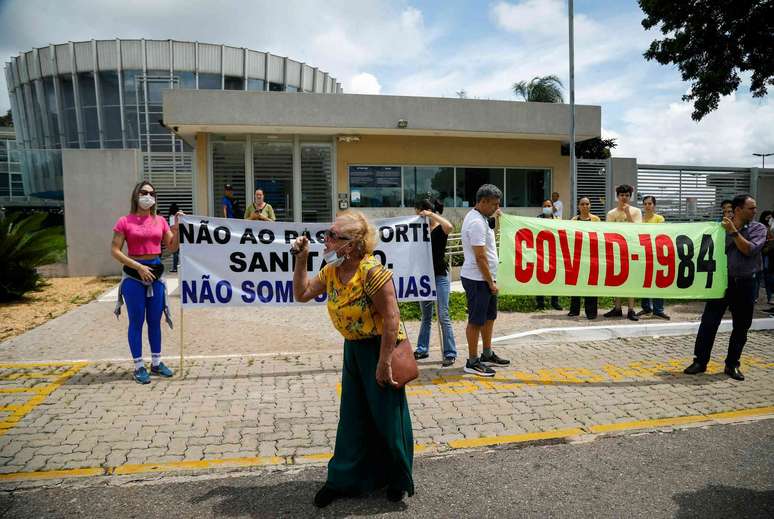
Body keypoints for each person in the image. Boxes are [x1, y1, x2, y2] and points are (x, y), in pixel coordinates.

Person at [292, 210, 414, 507]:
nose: (327, 240)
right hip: (354, 350)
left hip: (380, 348)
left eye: (334, 236)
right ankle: (343, 480)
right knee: (352, 416)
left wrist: (384, 362)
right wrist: (301, 259)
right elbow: (302, 293)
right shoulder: (332, 271)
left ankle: (396, 480)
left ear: (354, 244)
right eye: (327, 234)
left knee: (387, 416)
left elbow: (391, 318)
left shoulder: (373, 271)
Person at [684, 194, 767, 381]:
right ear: (739, 210)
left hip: (746, 283)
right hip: (721, 283)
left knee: (741, 326)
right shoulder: (718, 230)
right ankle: (700, 361)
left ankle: (732, 364)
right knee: (709, 323)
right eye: (751, 208)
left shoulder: (758, 228)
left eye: (754, 208)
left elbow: (749, 250)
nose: (755, 211)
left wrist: (733, 232)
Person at [111, 181, 181, 384]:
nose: (148, 196)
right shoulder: (124, 221)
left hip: (156, 274)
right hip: (134, 275)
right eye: (144, 192)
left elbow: (172, 247)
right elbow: (114, 250)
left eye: (151, 193)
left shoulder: (160, 221)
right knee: (136, 321)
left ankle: (157, 363)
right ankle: (139, 366)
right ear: (136, 195)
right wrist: (138, 267)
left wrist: (176, 229)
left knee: (154, 320)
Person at [460, 184, 510, 377]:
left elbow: (489, 244)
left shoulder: (481, 218)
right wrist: (490, 282)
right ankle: (472, 361)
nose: (497, 208)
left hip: (485, 278)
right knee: (476, 321)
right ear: (483, 202)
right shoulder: (476, 223)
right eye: (494, 204)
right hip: (478, 279)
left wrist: (496, 219)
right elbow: (480, 257)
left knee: (489, 318)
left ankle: (486, 353)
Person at [413, 197, 458, 367]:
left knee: (443, 315)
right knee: (426, 316)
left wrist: (433, 215)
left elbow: (450, 227)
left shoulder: (440, 229)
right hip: (424, 278)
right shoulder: (418, 230)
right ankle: (422, 348)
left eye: (419, 212)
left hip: (440, 276)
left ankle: (450, 352)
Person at [604, 184, 642, 321]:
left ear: (630, 197)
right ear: (617, 197)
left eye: (626, 195)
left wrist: (627, 214)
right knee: (617, 278)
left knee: (631, 277)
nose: (624, 198)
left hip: (631, 249)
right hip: (616, 249)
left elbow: (637, 230)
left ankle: (631, 309)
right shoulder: (611, 213)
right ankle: (617, 307)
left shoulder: (636, 211)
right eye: (621, 195)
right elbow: (609, 232)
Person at [638, 196, 670, 319]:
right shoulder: (639, 219)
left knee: (658, 281)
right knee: (644, 281)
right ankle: (646, 308)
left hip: (657, 253)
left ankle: (658, 309)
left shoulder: (659, 219)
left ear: (654, 205)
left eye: (650, 203)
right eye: (645, 203)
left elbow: (660, 234)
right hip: (643, 253)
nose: (647, 206)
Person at [568, 197, 599, 319]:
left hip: (592, 257)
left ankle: (591, 312)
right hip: (577, 256)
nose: (585, 206)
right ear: (578, 206)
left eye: (587, 204)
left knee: (591, 283)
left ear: (590, 205)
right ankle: (574, 310)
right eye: (582, 204)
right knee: (576, 283)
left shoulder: (596, 220)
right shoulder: (573, 220)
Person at [535, 199, 562, 311]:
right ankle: (540, 303)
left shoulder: (558, 220)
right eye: (545, 205)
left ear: (552, 207)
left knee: (554, 277)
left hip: (554, 252)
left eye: (549, 205)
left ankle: (554, 302)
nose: (547, 207)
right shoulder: (537, 220)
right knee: (540, 277)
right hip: (540, 252)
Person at [754, 210, 773, 304]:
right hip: (762, 255)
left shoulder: (771, 228)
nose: (769, 220)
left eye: (770, 218)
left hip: (767, 255)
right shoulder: (760, 228)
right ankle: (756, 297)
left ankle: (769, 298)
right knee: (760, 276)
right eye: (767, 218)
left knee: (766, 277)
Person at [167, 202, 180, 273]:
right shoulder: (179, 216)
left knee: (175, 253)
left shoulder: (172, 217)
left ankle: (175, 267)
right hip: (181, 235)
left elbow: (172, 227)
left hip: (175, 235)